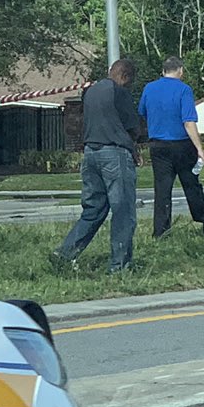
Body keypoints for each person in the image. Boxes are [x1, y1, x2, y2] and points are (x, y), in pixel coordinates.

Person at [53, 57, 143, 274]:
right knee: (123, 211)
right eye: (129, 82)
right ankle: (119, 267)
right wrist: (134, 146)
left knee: (94, 209)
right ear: (125, 76)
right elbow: (133, 128)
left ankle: (65, 253)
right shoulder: (119, 92)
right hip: (115, 154)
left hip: (90, 154)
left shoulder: (90, 92)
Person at [138, 55, 204, 237]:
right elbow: (188, 122)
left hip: (158, 145)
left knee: (162, 189)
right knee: (191, 184)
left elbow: (143, 112)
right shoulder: (184, 90)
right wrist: (200, 149)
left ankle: (161, 231)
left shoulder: (149, 88)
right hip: (181, 145)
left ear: (163, 71)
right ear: (180, 70)